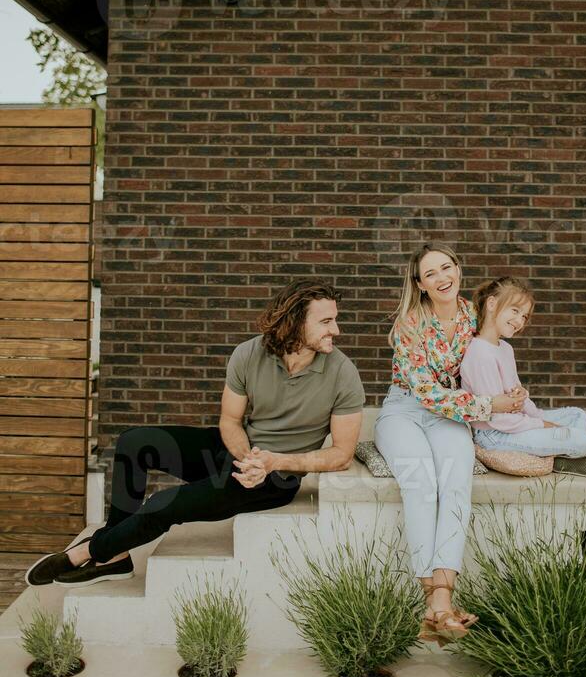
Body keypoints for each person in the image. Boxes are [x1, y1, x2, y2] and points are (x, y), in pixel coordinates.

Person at [26, 280, 364, 588]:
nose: (336, 329)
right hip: (238, 453)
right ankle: (116, 556)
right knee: (136, 441)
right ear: (295, 321)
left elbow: (341, 454)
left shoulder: (342, 374)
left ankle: (88, 551)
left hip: (277, 477)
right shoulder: (249, 353)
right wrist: (247, 458)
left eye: (334, 319)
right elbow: (230, 421)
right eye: (326, 321)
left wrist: (273, 462)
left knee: (164, 504)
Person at [374, 242, 525, 645]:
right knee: (420, 482)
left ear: (458, 269)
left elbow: (490, 355)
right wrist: (486, 404)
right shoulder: (410, 323)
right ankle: (434, 603)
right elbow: (424, 392)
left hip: (452, 413)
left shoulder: (473, 316)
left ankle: (441, 599)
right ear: (420, 285)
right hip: (404, 408)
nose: (443, 278)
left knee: (456, 482)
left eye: (447, 268)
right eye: (432, 274)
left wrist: (509, 393)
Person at [460, 276, 586, 475]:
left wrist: (537, 415)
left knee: (576, 414)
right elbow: (497, 419)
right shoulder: (480, 354)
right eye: (515, 311)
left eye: (524, 316)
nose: (519, 321)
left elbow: (518, 397)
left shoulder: (505, 349)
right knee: (581, 439)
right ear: (492, 303)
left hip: (518, 421)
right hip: (495, 435)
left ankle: (559, 455)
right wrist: (543, 425)